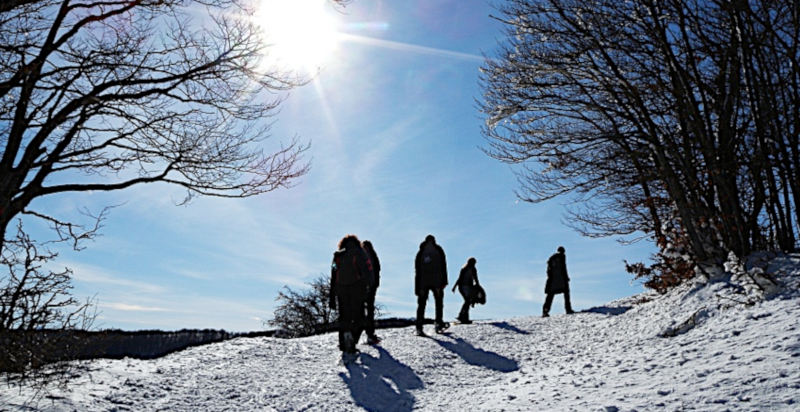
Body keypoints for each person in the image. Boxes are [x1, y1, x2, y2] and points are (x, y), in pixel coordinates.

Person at [329, 235, 374, 354]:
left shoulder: (337, 255)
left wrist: (332, 296)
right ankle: (352, 340)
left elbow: (333, 274)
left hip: (340, 289)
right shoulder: (360, 252)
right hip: (357, 288)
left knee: (343, 316)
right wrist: (369, 286)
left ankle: (344, 343)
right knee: (359, 317)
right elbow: (367, 269)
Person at [414, 234, 448, 335]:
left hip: (422, 282)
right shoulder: (438, 250)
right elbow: (443, 267)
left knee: (421, 305)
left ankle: (419, 327)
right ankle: (438, 323)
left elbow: (417, 271)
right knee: (439, 303)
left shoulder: (420, 253)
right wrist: (444, 281)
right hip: (437, 281)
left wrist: (417, 287)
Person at [543, 246, 574, 317]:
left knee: (550, 296)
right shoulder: (562, 257)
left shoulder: (552, 258)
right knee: (566, 293)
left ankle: (545, 310)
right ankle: (568, 309)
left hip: (552, 280)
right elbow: (563, 268)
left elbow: (548, 271)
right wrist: (566, 277)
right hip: (561, 280)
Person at [361, 240, 381, 345]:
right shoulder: (373, 257)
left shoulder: (360, 256)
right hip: (370, 287)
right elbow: (377, 271)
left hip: (363, 287)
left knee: (362, 311)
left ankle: (363, 334)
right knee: (369, 310)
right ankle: (370, 334)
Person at [452, 257, 479, 324]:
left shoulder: (472, 269)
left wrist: (477, 286)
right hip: (463, 287)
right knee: (467, 301)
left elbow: (475, 278)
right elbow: (460, 278)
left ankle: (463, 316)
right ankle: (463, 317)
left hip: (468, 287)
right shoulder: (465, 268)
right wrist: (455, 286)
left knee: (467, 302)